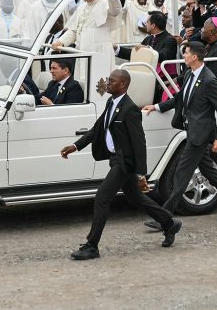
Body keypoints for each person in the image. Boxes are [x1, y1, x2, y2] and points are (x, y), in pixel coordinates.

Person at [61, 69, 180, 260]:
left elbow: (139, 143)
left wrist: (141, 174)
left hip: (125, 162)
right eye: (108, 80)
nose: (108, 83)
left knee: (102, 196)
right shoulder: (111, 102)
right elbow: (97, 129)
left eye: (112, 81)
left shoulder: (130, 109)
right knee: (135, 198)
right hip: (115, 158)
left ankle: (92, 246)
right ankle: (169, 223)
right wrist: (75, 146)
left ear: (123, 84)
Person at [143, 41, 217, 223]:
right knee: (211, 173)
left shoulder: (208, 80)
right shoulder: (190, 74)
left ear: (195, 57)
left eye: (186, 53)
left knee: (181, 175)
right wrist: (157, 106)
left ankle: (164, 217)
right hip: (192, 131)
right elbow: (180, 98)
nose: (183, 56)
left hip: (200, 135)